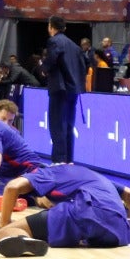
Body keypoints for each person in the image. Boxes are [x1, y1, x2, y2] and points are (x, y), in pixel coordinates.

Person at [0, 164, 130, 258]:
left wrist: (4, 221)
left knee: (4, 232)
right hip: (118, 232)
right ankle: (28, 237)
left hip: (85, 211)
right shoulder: (89, 175)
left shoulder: (47, 173)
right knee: (73, 222)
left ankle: (23, 239)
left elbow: (12, 188)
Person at [41, 15, 86, 162]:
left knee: (57, 125)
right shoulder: (75, 46)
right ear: (64, 28)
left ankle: (59, 161)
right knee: (68, 125)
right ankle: (68, 159)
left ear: (50, 27)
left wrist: (44, 68)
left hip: (60, 88)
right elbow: (84, 64)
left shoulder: (54, 41)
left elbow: (52, 58)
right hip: (73, 90)